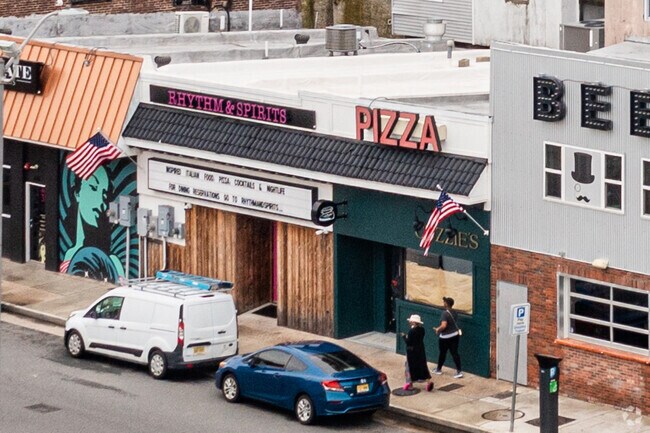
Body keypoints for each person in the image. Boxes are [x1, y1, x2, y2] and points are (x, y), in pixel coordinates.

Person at [400, 314, 434, 392]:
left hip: (412, 352)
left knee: (409, 367)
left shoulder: (411, 331)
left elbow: (408, 342)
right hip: (420, 350)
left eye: (411, 321)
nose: (410, 322)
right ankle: (428, 381)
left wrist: (404, 336)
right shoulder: (422, 330)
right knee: (422, 366)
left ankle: (410, 384)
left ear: (414, 322)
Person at [433, 297, 463, 378]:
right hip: (455, 335)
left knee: (442, 353)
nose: (443, 303)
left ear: (446, 304)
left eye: (444, 302)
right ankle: (459, 371)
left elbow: (444, 325)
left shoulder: (445, 313)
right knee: (455, 353)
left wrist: (438, 329)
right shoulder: (455, 312)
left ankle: (438, 369)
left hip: (445, 337)